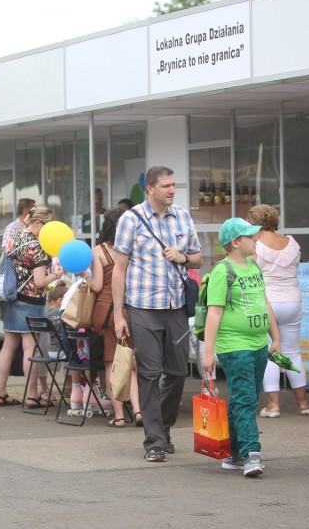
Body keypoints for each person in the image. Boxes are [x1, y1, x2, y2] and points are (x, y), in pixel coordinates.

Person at [112, 166, 202, 462]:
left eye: (174, 185)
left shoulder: (183, 216)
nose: (172, 190)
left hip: (175, 306)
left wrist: (184, 257)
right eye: (166, 185)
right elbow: (119, 269)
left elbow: (199, 258)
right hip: (143, 308)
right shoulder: (131, 219)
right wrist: (118, 314)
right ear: (150, 188)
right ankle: (154, 441)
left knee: (177, 372)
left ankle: (163, 427)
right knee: (149, 374)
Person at [202, 217, 281, 477]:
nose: (256, 239)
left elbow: (264, 302)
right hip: (234, 347)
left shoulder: (253, 267)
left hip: (258, 345)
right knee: (246, 400)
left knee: (242, 400)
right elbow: (214, 312)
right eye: (250, 237)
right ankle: (251, 454)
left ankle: (233, 453)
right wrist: (208, 352)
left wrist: (275, 337)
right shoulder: (222, 271)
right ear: (235, 243)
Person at [0, 205, 64, 408]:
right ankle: (32, 395)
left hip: (10, 297)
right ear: (37, 223)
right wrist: (57, 276)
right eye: (48, 227)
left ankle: (0, 393)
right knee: (30, 349)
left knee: (8, 346)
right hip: (30, 301)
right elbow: (41, 282)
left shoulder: (15, 237)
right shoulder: (38, 247)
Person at [247, 205, 309, 417]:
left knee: (270, 353)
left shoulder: (255, 246)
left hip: (268, 303)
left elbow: (249, 271)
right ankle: (303, 404)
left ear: (256, 223)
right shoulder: (292, 243)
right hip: (292, 301)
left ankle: (273, 406)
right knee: (292, 351)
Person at [90, 207, 142, 428]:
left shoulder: (99, 251)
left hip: (105, 310)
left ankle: (119, 416)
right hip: (127, 309)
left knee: (111, 362)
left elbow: (98, 285)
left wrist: (85, 275)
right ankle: (138, 412)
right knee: (129, 363)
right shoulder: (132, 248)